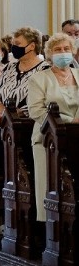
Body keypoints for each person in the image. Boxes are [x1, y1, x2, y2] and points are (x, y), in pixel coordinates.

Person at [27, 32, 79, 224]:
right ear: (50, 54)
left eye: (66, 49)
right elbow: (36, 111)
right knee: (49, 185)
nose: (63, 53)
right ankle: (50, 227)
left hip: (76, 138)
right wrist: (68, 121)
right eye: (58, 50)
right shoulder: (38, 79)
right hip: (48, 139)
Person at [0, 26, 47, 124]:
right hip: (2, 122)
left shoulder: (45, 70)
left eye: (17, 44)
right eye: (13, 44)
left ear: (32, 46)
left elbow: (37, 103)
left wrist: (10, 115)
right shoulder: (9, 67)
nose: (14, 48)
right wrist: (5, 113)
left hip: (28, 124)